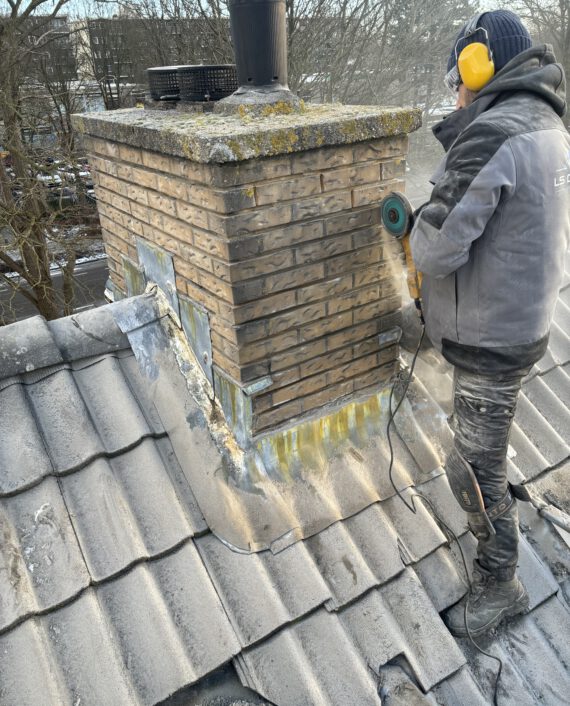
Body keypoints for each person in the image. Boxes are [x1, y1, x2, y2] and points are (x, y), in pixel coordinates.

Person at [410, 9, 570, 637]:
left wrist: (426, 210)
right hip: (520, 324)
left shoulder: (492, 134)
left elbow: (435, 250)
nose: (456, 90)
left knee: (471, 470)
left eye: (459, 78)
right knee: (484, 453)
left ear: (479, 66)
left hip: (489, 342)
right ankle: (505, 523)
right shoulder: (550, 123)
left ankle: (500, 582)